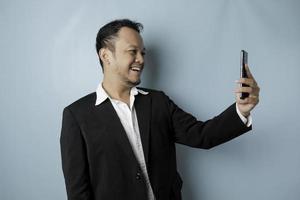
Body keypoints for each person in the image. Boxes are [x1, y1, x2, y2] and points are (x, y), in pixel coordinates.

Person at [60, 19, 260, 200]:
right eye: (132, 51)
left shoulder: (158, 102)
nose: (141, 59)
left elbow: (202, 135)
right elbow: (78, 191)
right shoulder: (76, 116)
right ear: (106, 56)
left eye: (143, 53)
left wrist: (241, 110)